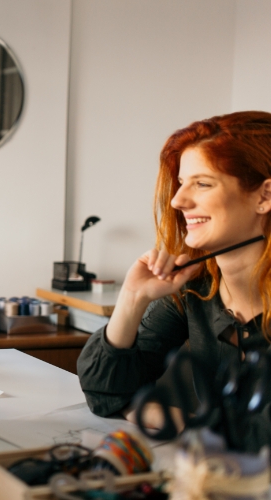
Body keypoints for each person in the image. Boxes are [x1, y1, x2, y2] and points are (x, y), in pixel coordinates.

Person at [77, 111, 271, 451]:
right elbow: (104, 393)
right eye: (182, 182)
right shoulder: (196, 288)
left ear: (265, 196)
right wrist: (133, 297)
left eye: (202, 183)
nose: (178, 200)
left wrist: (175, 419)